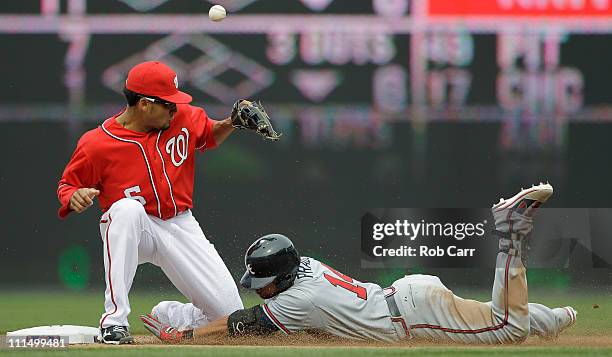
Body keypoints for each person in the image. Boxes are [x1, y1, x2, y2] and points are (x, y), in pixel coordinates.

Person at [141, 183, 577, 344]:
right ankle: (553, 319)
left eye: (265, 281)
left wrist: (185, 333)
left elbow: (238, 324)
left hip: (415, 317)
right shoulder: (305, 265)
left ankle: (509, 232)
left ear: (284, 276)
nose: (262, 288)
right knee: (488, 317)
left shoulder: (299, 301)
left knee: (507, 328)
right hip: (408, 299)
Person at [57, 61, 264, 344]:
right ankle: (114, 322)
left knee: (228, 315)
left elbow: (205, 136)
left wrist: (231, 123)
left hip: (180, 223)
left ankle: (170, 315)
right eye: (168, 103)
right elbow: (68, 184)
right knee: (127, 210)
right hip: (135, 229)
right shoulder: (97, 144)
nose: (175, 108)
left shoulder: (181, 118)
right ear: (144, 104)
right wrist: (73, 196)